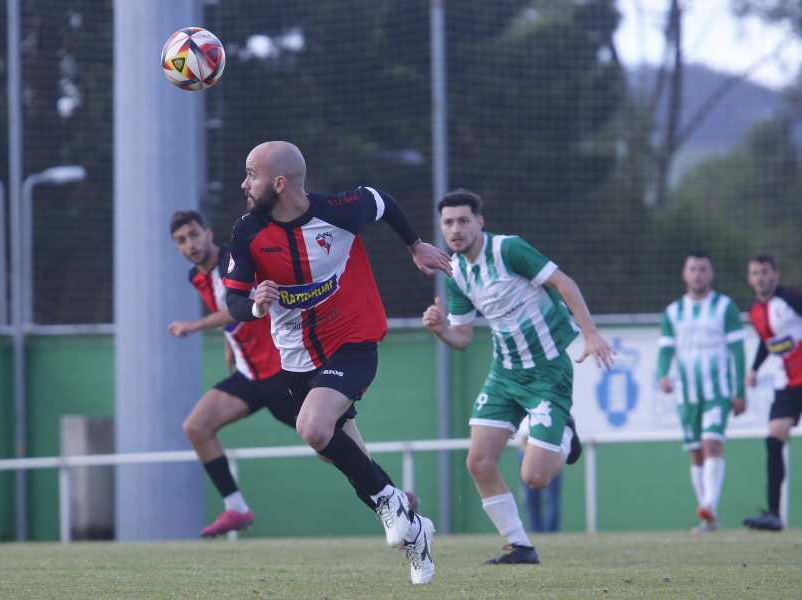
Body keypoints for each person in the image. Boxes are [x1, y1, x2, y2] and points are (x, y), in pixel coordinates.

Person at [224, 141, 452, 585]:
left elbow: (382, 202)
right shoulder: (247, 231)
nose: (242, 183)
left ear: (279, 183)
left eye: (250, 174)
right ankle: (415, 532)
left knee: (312, 428)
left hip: (353, 342)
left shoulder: (340, 211)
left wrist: (416, 244)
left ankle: (390, 501)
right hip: (296, 362)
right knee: (345, 457)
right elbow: (233, 298)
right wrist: (254, 305)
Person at [168, 210, 417, 538]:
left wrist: (195, 326)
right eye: (182, 240)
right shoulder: (195, 276)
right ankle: (236, 508)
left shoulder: (234, 257)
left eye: (194, 235)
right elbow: (233, 313)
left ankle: (395, 501)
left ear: (208, 232)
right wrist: (231, 340)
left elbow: (242, 304)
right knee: (197, 427)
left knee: (332, 449)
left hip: (279, 373)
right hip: (248, 374)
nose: (191, 244)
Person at [421, 188, 614, 565]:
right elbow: (461, 337)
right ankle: (520, 546)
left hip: (547, 372)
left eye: (463, 220)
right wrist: (440, 329)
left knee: (535, 478)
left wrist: (590, 334)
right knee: (478, 462)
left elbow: (565, 283)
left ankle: (566, 433)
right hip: (505, 375)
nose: (455, 229)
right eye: (448, 223)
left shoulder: (508, 250)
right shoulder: (455, 272)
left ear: (479, 222)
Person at [656, 251, 746, 533]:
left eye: (703, 269)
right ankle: (710, 518)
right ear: (685, 274)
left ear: (711, 274)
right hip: (687, 395)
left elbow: (738, 351)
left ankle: (709, 503)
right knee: (696, 453)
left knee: (712, 444)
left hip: (717, 391)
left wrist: (739, 390)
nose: (698, 274)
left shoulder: (725, 307)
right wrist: (662, 374)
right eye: (693, 269)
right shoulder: (673, 311)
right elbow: (666, 348)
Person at [742, 253, 802, 532]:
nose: (760, 277)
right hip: (786, 385)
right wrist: (754, 369)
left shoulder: (790, 299)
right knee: (773, 441)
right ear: (749, 278)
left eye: (765, 272)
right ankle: (774, 516)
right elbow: (769, 343)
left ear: (775, 275)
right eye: (755, 273)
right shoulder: (755, 311)